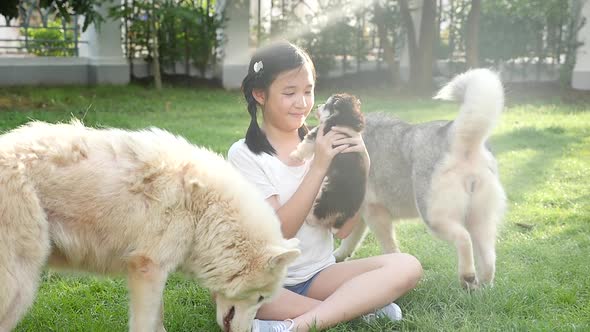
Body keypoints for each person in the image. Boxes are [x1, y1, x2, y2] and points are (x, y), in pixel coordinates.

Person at [227, 41, 422, 332]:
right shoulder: (244, 155)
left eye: (308, 91)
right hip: (267, 282)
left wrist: (362, 167)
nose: (302, 102)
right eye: (289, 93)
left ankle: (292, 326)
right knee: (231, 299)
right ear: (260, 94)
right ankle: (353, 308)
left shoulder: (330, 143)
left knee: (407, 265)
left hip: (320, 276)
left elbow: (342, 229)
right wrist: (318, 166)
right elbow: (278, 234)